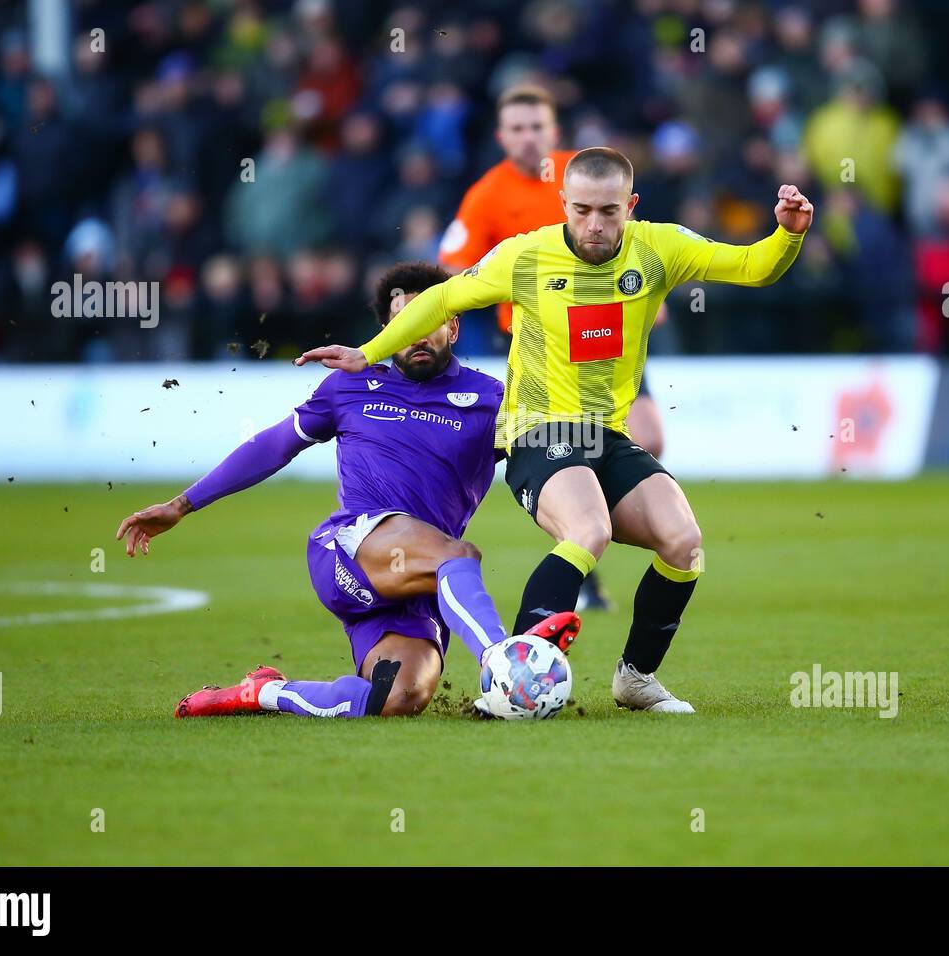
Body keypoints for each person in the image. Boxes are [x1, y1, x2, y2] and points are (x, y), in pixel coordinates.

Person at [297, 147, 813, 713]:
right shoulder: (525, 258)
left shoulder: (660, 248)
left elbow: (751, 267)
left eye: (610, 212)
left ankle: (635, 678)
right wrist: (370, 353)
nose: (595, 224)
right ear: (563, 203)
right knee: (588, 529)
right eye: (583, 210)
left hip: (606, 436)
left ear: (631, 206)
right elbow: (444, 296)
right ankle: (507, 683)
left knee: (684, 543)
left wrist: (786, 235)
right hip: (538, 430)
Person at [116, 261, 580, 719]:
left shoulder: (491, 400)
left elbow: (546, 463)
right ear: (385, 331)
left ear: (453, 328)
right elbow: (274, 445)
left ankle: (261, 694)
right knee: (457, 557)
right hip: (348, 550)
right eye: (402, 323)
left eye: (429, 321)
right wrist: (182, 504)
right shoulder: (349, 385)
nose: (417, 334)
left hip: (416, 582)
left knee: (398, 699)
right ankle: (501, 659)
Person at [438, 84, 663, 611]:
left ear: (553, 130)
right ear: (501, 135)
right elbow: (450, 267)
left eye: (536, 126)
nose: (526, 137)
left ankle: (583, 537)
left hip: (611, 334)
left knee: (649, 435)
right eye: (516, 128)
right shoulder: (486, 194)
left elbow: (633, 237)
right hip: (540, 343)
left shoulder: (584, 174)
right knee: (558, 448)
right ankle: (581, 549)